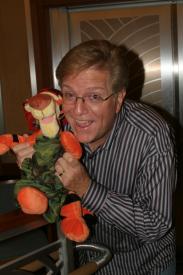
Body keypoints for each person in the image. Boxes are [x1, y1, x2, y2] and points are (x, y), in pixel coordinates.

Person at [13, 40, 177, 275]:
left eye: (94, 97)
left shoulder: (152, 134)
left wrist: (86, 188)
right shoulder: (54, 125)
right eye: (70, 95)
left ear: (119, 99)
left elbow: (155, 225)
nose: (78, 111)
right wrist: (35, 172)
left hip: (144, 265)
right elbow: (49, 200)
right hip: (83, 259)